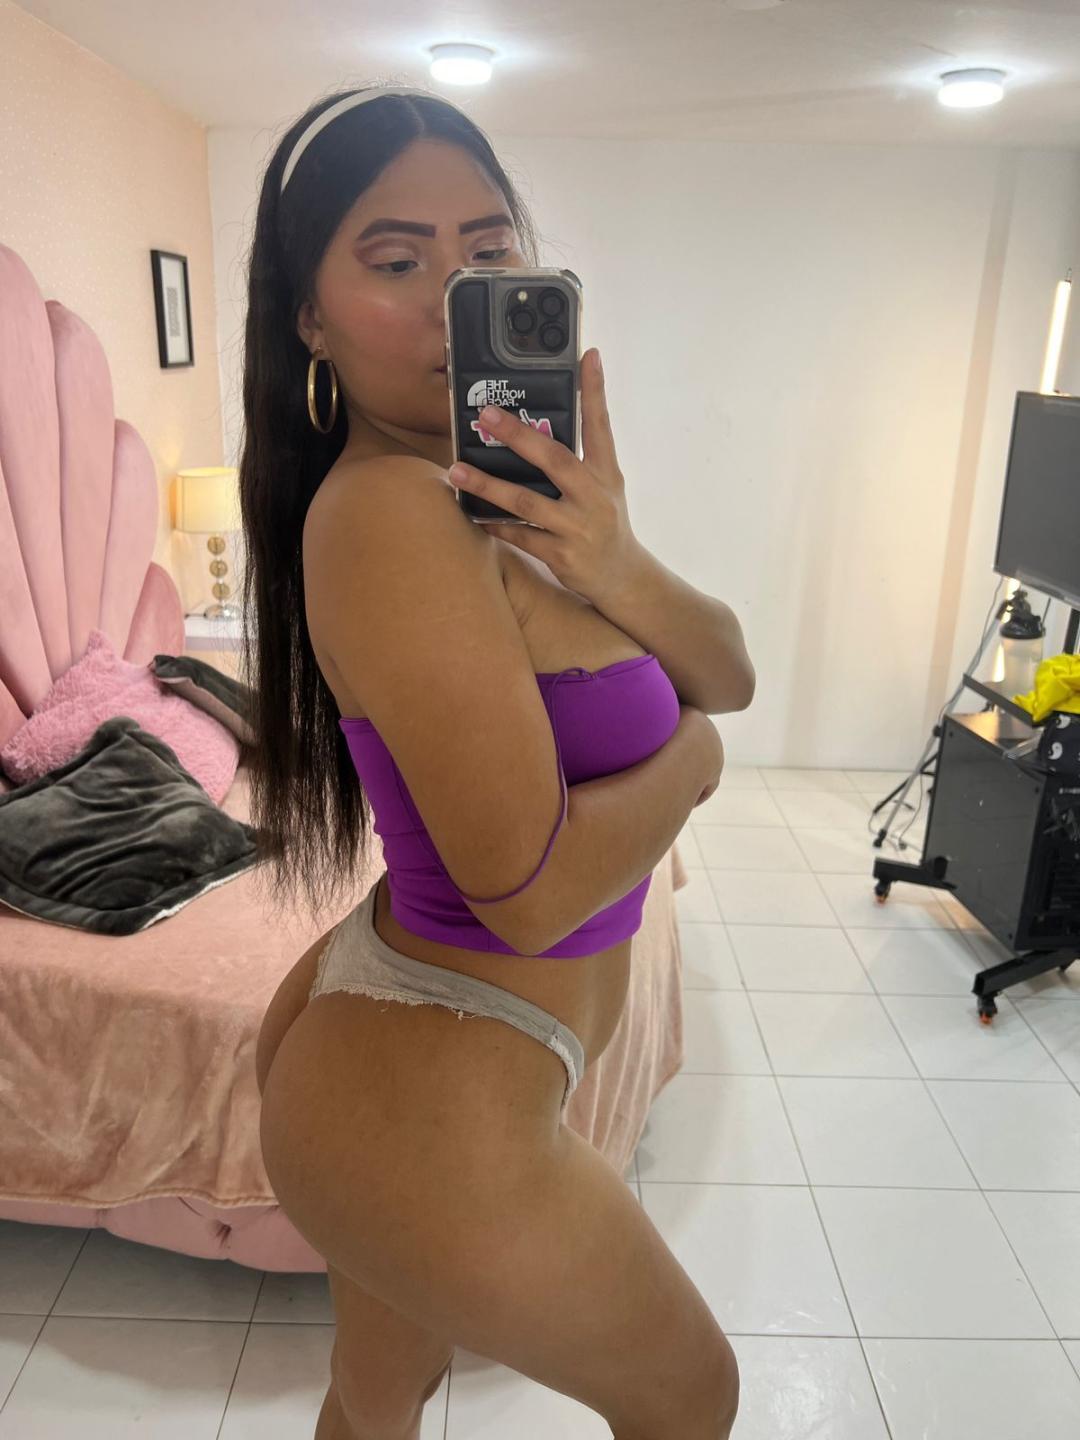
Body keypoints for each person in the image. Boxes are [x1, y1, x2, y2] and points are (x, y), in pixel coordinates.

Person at [244, 84, 751, 1440]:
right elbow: (534, 896)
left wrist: (615, 556)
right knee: (691, 1398)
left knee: (377, 1405)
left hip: (407, 1040)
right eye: (395, 261)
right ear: (310, 318)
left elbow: (730, 668)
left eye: (485, 251)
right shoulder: (390, 514)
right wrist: (693, 764)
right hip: (432, 1078)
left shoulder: (511, 504)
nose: (448, 297)